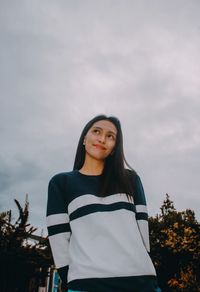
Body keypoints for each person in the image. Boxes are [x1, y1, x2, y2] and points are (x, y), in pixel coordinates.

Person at [46, 114, 161, 292]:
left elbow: (142, 231)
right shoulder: (61, 183)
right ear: (84, 138)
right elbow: (59, 240)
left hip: (140, 282)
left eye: (110, 136)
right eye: (96, 131)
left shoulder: (130, 179)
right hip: (87, 284)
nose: (102, 139)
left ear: (115, 147)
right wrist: (74, 280)